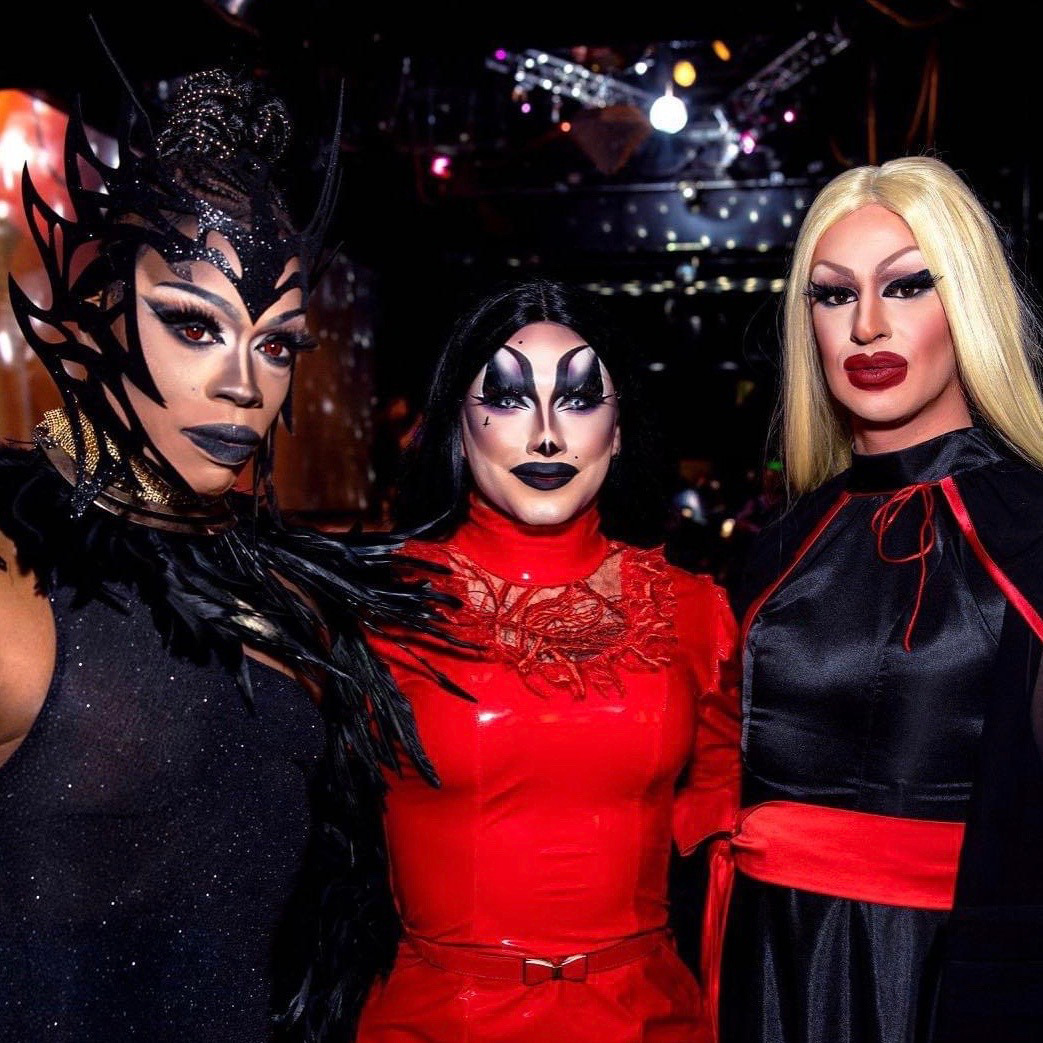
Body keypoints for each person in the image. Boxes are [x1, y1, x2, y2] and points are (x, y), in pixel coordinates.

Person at [0, 68, 446, 1042]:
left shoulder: (291, 591)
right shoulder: (14, 588)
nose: (244, 383)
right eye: (195, 324)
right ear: (92, 319)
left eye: (277, 343)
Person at [332, 278, 742, 1043]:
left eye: (582, 399)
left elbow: (730, 841)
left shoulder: (694, 611)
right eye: (510, 399)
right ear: (458, 423)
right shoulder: (375, 608)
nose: (547, 435)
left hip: (648, 1022)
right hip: (437, 1025)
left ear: (617, 431)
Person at [718, 155, 1043, 1043]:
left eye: (906, 285)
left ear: (966, 299)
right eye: (831, 295)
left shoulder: (1028, 537)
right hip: (765, 967)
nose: (865, 325)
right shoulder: (777, 551)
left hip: (947, 987)